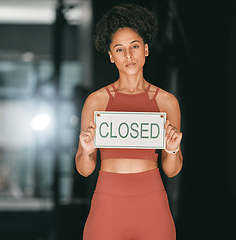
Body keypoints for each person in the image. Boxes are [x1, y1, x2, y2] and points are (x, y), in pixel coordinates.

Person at [75, 3, 183, 240]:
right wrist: (86, 151)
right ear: (111, 55)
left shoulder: (167, 102)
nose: (129, 55)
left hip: (152, 203)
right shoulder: (96, 101)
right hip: (107, 203)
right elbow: (84, 170)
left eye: (134, 46)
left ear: (145, 49)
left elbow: (172, 171)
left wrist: (173, 150)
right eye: (120, 49)